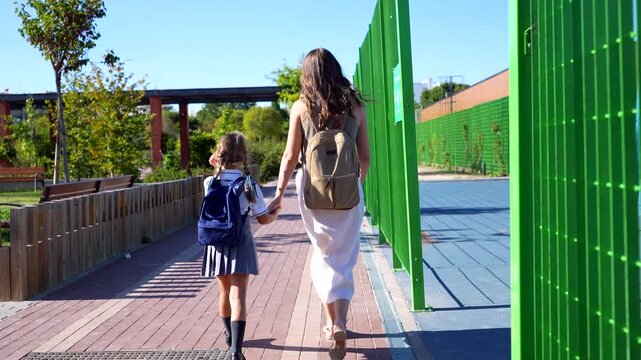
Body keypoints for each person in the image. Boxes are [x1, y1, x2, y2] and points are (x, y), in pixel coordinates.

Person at [267, 48, 371, 358]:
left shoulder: (301, 107)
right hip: (349, 189)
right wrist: (354, 187)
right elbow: (365, 157)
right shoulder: (356, 106)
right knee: (345, 255)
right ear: (336, 70)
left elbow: (289, 156)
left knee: (323, 252)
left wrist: (277, 194)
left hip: (311, 190)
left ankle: (331, 323)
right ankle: (341, 320)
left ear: (307, 74)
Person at [201, 132, 280, 360]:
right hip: (240, 240)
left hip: (216, 243)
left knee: (224, 292)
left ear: (219, 155)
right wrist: (275, 214)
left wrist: (216, 161)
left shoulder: (210, 182)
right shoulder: (248, 183)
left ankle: (228, 334)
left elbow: (212, 165)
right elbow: (263, 219)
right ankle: (236, 351)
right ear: (244, 156)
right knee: (239, 296)